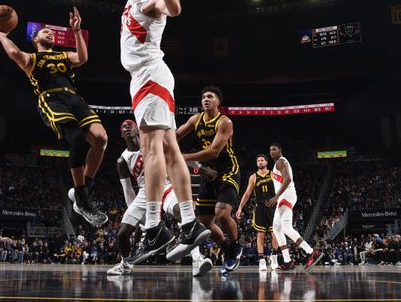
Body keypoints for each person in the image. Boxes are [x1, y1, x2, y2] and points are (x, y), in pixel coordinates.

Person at [98, 0, 208, 264]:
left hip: (150, 76)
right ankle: (189, 223)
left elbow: (175, 8)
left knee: (151, 147)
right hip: (147, 79)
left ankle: (153, 224)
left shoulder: (150, 1)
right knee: (171, 148)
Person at [0, 8, 108, 226]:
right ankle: (82, 199)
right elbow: (15, 54)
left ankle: (83, 189)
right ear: (35, 39)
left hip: (75, 99)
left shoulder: (64, 55)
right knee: (78, 139)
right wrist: (1, 36)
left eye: (52, 33)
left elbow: (83, 58)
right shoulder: (32, 59)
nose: (50, 34)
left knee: (101, 139)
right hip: (51, 99)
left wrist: (77, 31)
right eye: (45, 32)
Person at [103, 119, 211, 276]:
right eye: (124, 126)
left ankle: (197, 259)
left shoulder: (153, 144)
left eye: (130, 125)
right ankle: (126, 265)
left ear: (138, 130)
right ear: (121, 134)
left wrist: (201, 167)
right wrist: (140, 219)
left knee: (182, 213)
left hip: (165, 186)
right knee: (122, 234)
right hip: (143, 193)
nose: (127, 127)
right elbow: (127, 190)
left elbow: (177, 158)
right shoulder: (122, 161)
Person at [176, 86, 242, 273]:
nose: (206, 99)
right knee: (204, 222)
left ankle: (236, 246)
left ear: (218, 102)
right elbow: (176, 135)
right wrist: (160, 143)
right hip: (209, 172)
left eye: (210, 96)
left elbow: (214, 152)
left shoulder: (224, 122)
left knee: (221, 213)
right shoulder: (195, 119)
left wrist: (182, 157)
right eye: (203, 96)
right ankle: (227, 250)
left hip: (228, 169)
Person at [267, 143, 322, 271]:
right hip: (284, 197)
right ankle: (287, 261)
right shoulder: (277, 164)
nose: (272, 152)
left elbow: (288, 179)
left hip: (286, 196)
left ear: (280, 150)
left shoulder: (281, 161)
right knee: (276, 227)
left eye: (274, 149)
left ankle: (312, 252)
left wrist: (276, 197)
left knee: (286, 228)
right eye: (270, 150)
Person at [236, 154, 280, 271]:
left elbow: (281, 188)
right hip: (259, 207)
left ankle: (274, 256)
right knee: (260, 234)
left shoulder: (272, 174)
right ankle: (261, 260)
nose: (260, 162)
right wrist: (240, 207)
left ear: (266, 162)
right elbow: (247, 193)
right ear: (257, 164)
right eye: (258, 161)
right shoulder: (253, 177)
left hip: (272, 206)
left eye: (262, 160)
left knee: (275, 233)